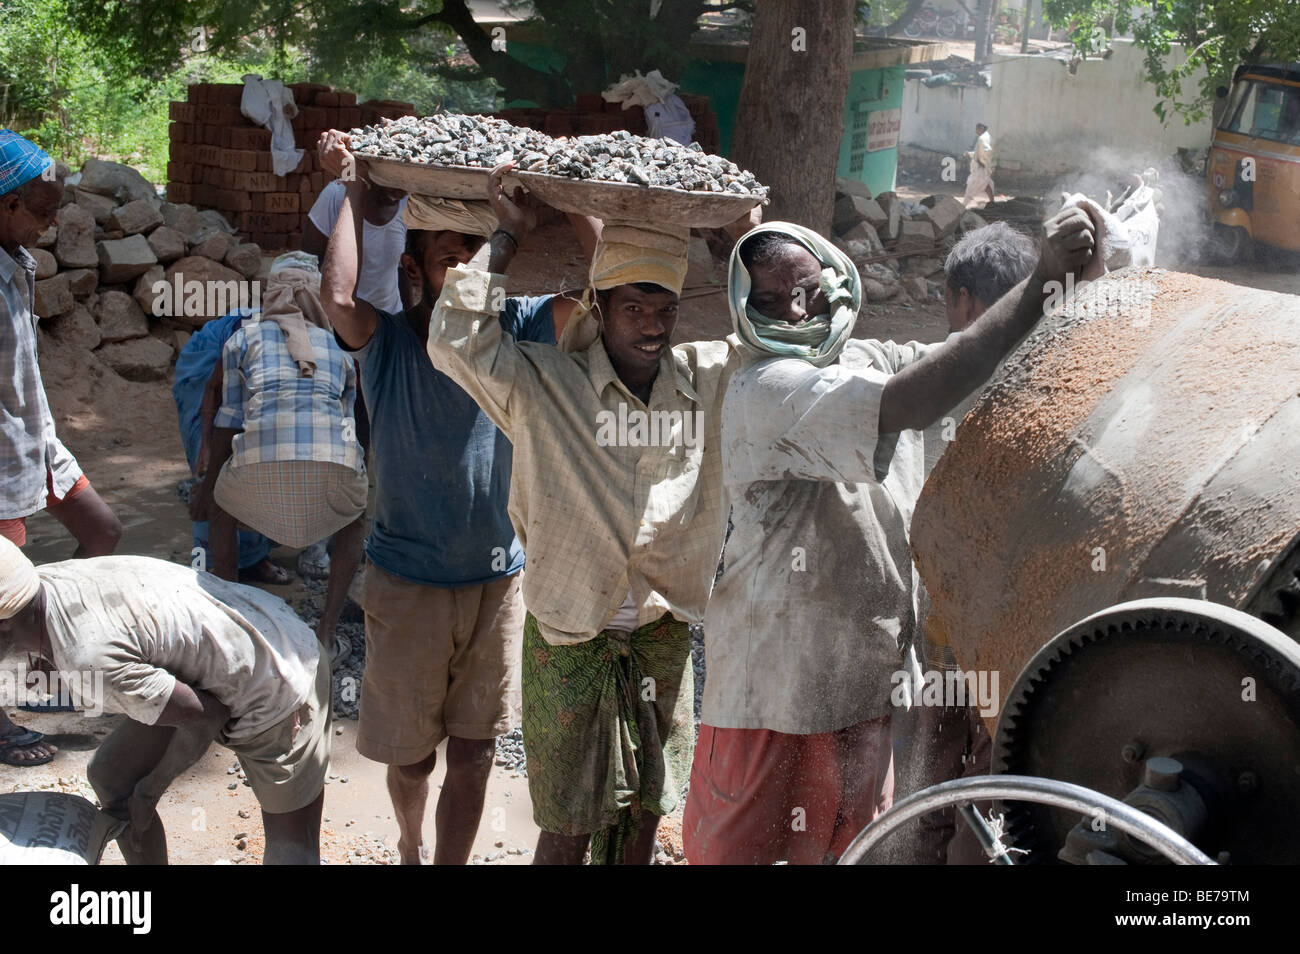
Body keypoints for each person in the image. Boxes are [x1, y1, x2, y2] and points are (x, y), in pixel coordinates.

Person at [680, 208, 1102, 865]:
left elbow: (963, 362)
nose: (793, 312)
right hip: (771, 699)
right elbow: (915, 398)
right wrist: (1039, 279)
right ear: (745, 309)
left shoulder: (862, 363)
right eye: (769, 300)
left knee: (851, 854)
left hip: (862, 691)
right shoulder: (765, 386)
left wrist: (1065, 288)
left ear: (839, 287)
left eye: (808, 293)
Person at [426, 187, 742, 863]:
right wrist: (506, 236)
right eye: (634, 308)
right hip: (569, 634)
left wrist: (740, 247)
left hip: (662, 634)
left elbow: (776, 349)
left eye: (666, 310)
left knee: (647, 812)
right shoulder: (545, 384)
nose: (653, 326)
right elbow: (455, 339)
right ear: (600, 307)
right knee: (567, 825)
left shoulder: (705, 381)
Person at [317, 130, 581, 865]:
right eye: (448, 259)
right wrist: (350, 190)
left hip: (498, 583)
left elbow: (598, 300)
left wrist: (574, 199)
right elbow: (336, 296)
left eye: (478, 256)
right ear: (413, 270)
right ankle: (408, 841)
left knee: (474, 753)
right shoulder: (393, 342)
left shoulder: (520, 328)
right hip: (407, 582)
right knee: (412, 759)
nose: (466, 271)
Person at [0, 537, 331, 864]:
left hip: (279, 673)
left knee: (292, 851)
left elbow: (207, 717)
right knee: (112, 776)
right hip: (209, 658)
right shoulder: (43, 581)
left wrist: (150, 791)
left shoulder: (88, 660)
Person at [0, 130, 121, 767]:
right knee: (3, 594)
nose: (50, 227)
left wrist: (42, 436)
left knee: (101, 530)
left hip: (34, 438)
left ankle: (42, 667)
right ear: (4, 203)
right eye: (41, 212)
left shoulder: (11, 258)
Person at [189, 253, 367, 651]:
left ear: (272, 294)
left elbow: (227, 421)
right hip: (329, 480)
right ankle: (326, 632)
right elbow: (347, 430)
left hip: (259, 480)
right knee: (355, 521)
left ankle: (234, 625)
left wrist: (208, 489)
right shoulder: (342, 351)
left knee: (221, 511)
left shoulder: (242, 340)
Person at [172, 305, 287, 585]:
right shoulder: (248, 334)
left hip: (258, 390)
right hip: (208, 374)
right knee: (212, 473)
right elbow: (214, 390)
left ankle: (253, 558)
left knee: (258, 466)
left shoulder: (316, 338)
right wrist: (207, 447)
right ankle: (206, 567)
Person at [963, 122, 996, 208]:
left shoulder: (982, 138)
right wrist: (970, 154)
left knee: (971, 184)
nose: (976, 131)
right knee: (987, 184)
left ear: (981, 129)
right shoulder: (987, 136)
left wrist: (982, 162)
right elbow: (979, 152)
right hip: (985, 167)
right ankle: (992, 202)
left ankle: (963, 205)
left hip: (981, 168)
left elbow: (987, 150)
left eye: (977, 129)